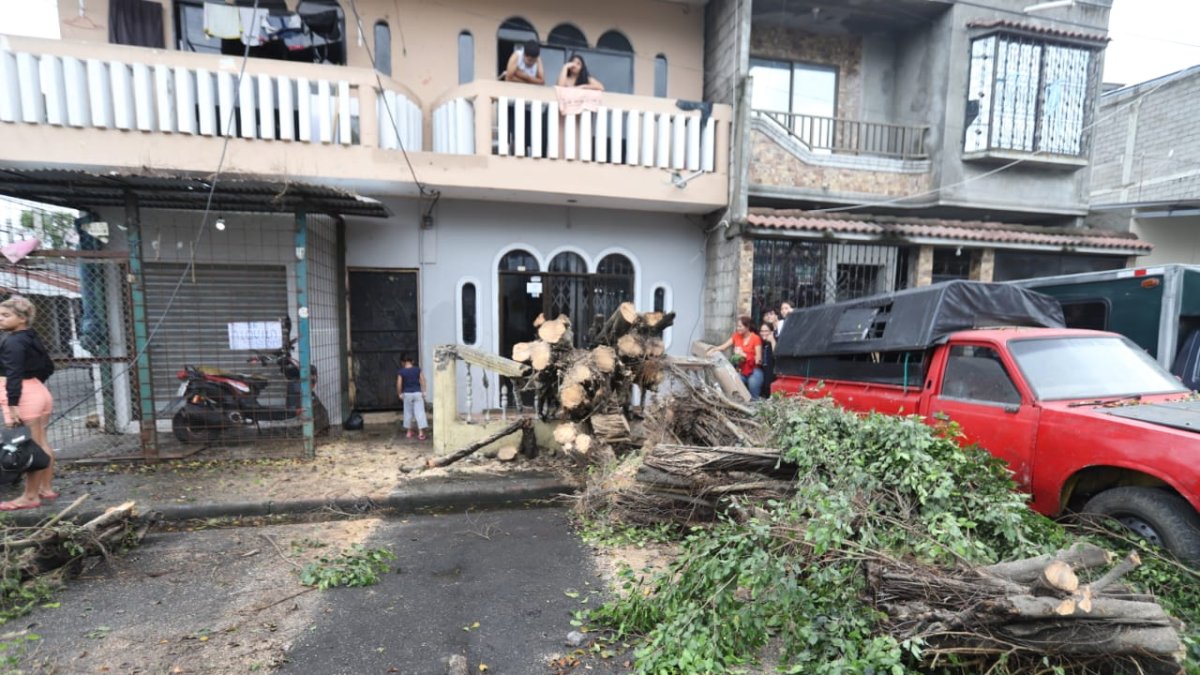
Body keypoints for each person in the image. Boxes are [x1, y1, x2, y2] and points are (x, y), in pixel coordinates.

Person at [0, 295, 56, 511]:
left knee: (25, 447)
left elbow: (13, 374)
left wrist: (14, 404)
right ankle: (45, 488)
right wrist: (34, 385)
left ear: (22, 318)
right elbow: (48, 366)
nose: (1, 319)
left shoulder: (12, 341)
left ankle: (30, 496)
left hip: (22, 396)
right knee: (41, 442)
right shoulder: (29, 337)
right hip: (38, 391)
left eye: (6, 315)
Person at [706, 315, 764, 400]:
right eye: (737, 326)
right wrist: (712, 350)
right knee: (734, 385)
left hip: (754, 370)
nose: (738, 328)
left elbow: (758, 360)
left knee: (753, 387)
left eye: (740, 326)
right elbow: (723, 347)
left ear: (747, 326)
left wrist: (744, 355)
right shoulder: (736, 336)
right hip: (741, 370)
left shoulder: (755, 338)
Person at [396, 355, 429, 440]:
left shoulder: (401, 372)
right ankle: (421, 433)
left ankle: (409, 432)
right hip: (417, 393)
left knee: (408, 412)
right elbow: (422, 380)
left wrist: (400, 393)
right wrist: (424, 391)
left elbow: (399, 384)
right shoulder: (417, 370)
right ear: (412, 361)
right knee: (420, 412)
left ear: (402, 362)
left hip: (407, 394)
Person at [759, 322, 776, 396]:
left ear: (771, 332)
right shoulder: (762, 343)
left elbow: (776, 355)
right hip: (764, 372)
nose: (763, 333)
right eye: (762, 331)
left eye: (766, 331)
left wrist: (772, 341)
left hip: (772, 373)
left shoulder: (773, 341)